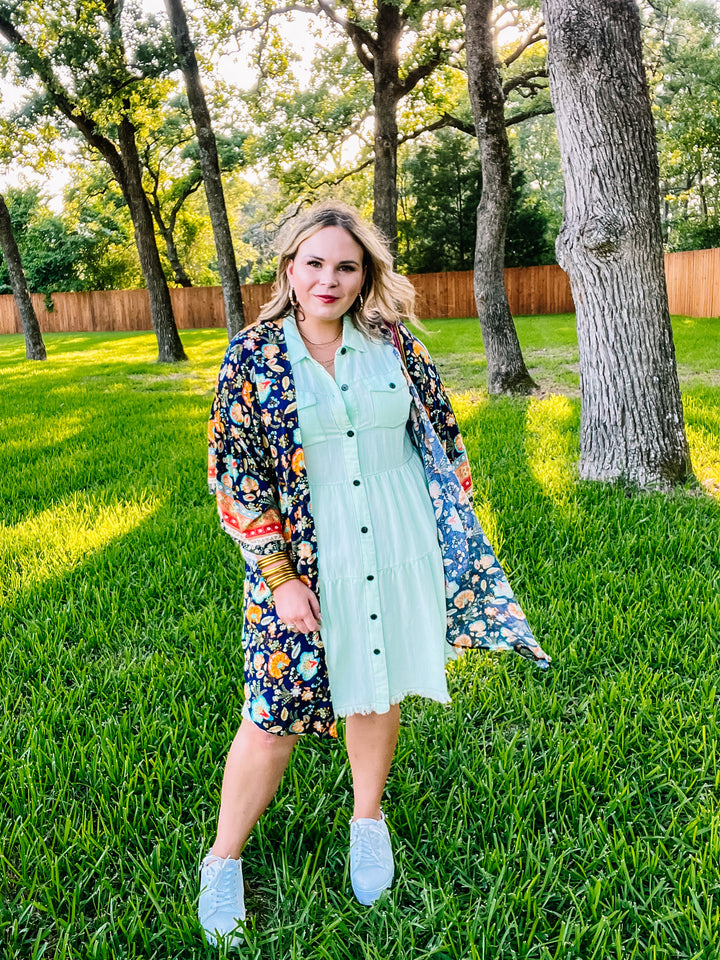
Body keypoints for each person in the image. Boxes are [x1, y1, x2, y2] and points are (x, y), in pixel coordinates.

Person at [202, 202, 551, 947]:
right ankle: (222, 859)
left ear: (365, 277)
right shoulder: (252, 356)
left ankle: (368, 820)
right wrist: (279, 575)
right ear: (289, 269)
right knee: (272, 713)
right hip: (306, 558)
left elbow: (443, 441)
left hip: (398, 542)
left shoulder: (396, 345)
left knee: (376, 687)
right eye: (315, 263)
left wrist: (449, 539)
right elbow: (237, 476)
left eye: (346, 266)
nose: (328, 279)